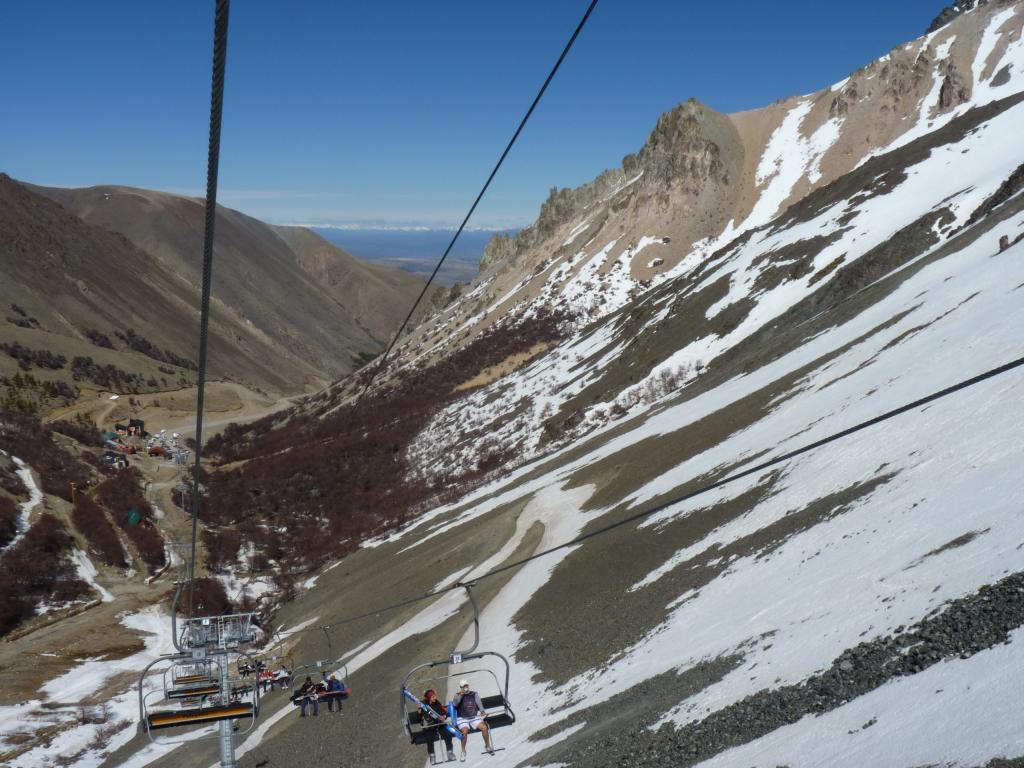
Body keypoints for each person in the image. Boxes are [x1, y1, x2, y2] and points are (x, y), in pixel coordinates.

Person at [453, 680, 492, 760]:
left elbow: (478, 702)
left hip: (473, 716)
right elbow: (455, 704)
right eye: (463, 686)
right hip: (462, 718)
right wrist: (461, 695)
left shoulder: (474, 694)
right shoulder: (457, 695)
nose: (465, 688)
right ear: (461, 688)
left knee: (484, 728)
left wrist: (482, 711)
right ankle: (463, 751)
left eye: (466, 685)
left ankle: (487, 746)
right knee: (465, 731)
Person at [420, 688, 455, 764]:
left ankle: (449, 752)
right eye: (433, 697)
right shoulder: (423, 705)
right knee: (429, 738)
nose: (435, 698)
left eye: (435, 696)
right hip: (430, 726)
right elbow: (419, 718)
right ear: (429, 698)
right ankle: (432, 756)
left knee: (447, 733)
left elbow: (443, 712)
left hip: (439, 724)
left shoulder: (437, 703)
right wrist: (419, 712)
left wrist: (444, 717)